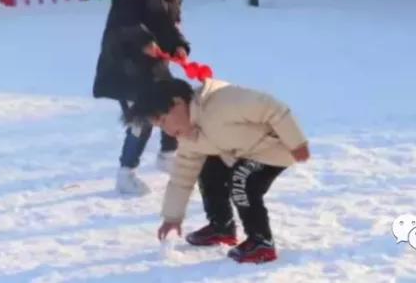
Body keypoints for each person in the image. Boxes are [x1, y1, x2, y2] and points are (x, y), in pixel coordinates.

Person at [124, 78, 311, 265]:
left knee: (241, 181)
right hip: (241, 150)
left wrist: (296, 142)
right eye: (160, 128)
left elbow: (273, 108)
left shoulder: (223, 103)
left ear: (178, 104)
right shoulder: (190, 136)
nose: (168, 132)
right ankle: (222, 226)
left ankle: (261, 243)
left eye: (164, 121)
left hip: (275, 149)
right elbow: (182, 177)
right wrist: (172, 218)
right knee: (207, 168)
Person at [92, 0, 191, 196]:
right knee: (143, 117)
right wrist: (143, 42)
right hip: (123, 66)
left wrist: (178, 46)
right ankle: (125, 173)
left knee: (173, 103)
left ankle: (168, 156)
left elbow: (169, 28)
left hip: (153, 66)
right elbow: (122, 22)